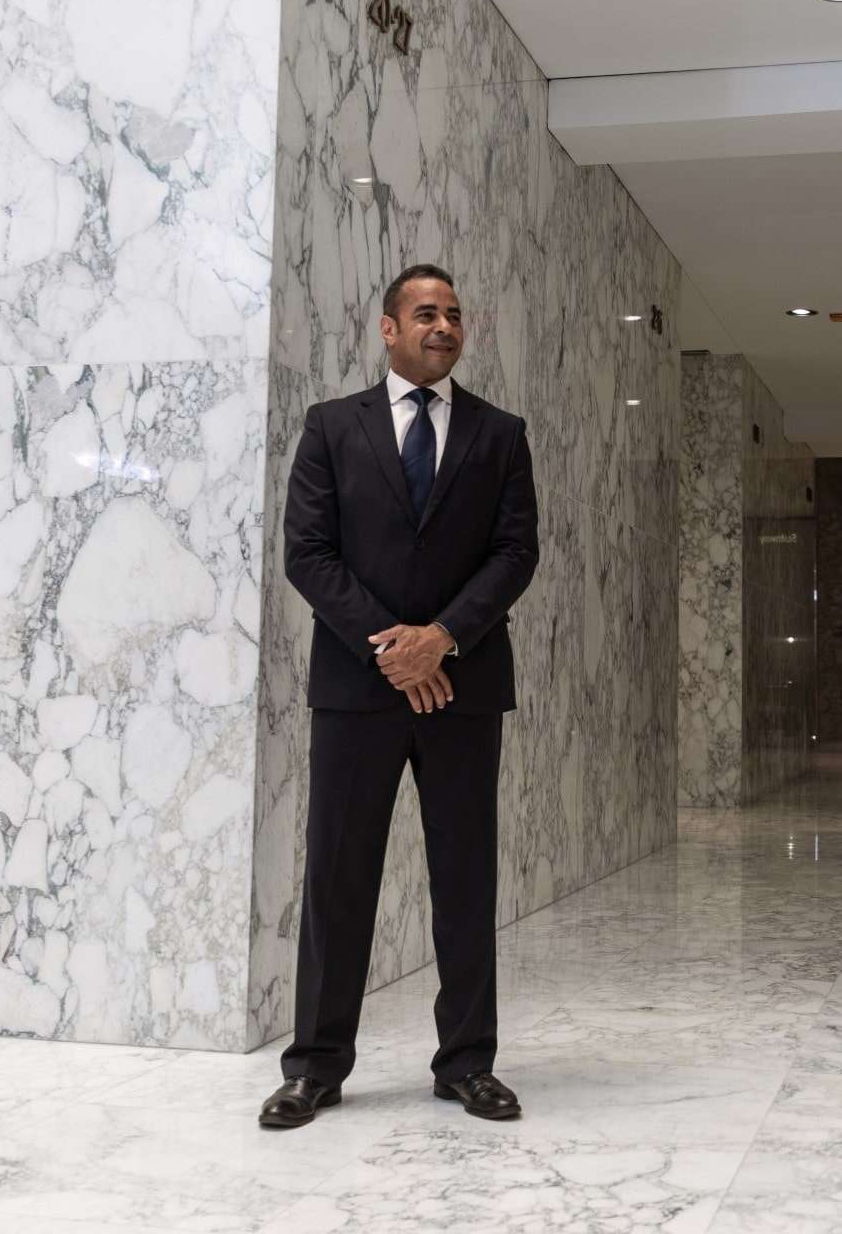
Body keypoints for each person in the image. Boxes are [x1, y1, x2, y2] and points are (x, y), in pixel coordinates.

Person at [259, 264, 539, 1130]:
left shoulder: (500, 433)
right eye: (425, 314)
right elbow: (307, 553)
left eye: (454, 314)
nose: (443, 327)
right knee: (339, 877)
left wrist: (440, 639)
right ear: (387, 328)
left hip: (463, 685)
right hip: (358, 688)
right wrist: (393, 647)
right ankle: (315, 1067)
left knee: (465, 880)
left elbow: (516, 552)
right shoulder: (332, 427)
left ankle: (466, 1064)